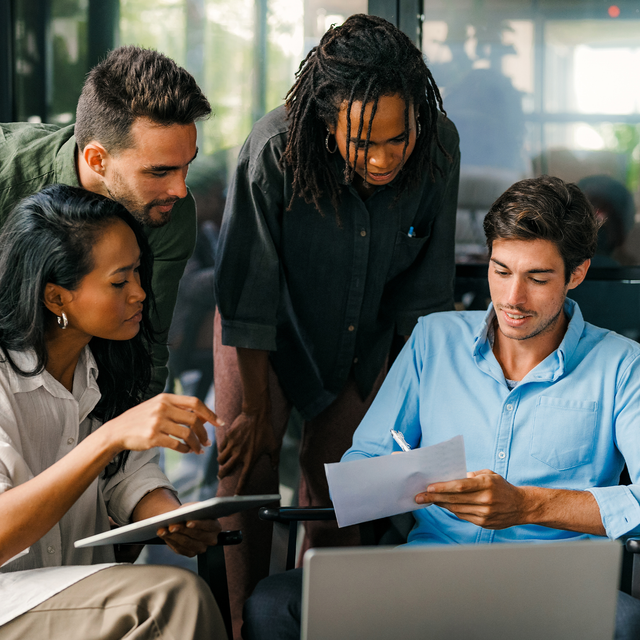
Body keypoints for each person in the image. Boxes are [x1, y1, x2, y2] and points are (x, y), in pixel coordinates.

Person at [242, 175, 640, 640]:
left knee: (625, 621)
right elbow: (362, 462)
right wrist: (414, 479)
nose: (513, 298)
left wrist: (526, 506)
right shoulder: (434, 339)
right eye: (501, 270)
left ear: (577, 274)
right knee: (274, 604)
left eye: (537, 277)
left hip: (553, 580)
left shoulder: (621, 365)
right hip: (427, 568)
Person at [213, 13, 460, 636]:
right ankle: (244, 623)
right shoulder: (274, 147)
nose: (382, 159)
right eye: (361, 143)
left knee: (346, 483)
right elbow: (249, 289)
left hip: (365, 335)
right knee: (249, 464)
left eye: (395, 140)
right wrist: (256, 411)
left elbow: (423, 294)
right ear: (327, 123)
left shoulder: (438, 148)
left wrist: (402, 400)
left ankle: (318, 622)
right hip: (263, 328)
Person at [0, 185, 226, 639]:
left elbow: (130, 478)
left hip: (80, 589)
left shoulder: (105, 367)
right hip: (10, 601)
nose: (141, 293)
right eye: (119, 282)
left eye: (139, 274)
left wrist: (171, 519)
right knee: (169, 598)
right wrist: (109, 438)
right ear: (56, 298)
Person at [0, 45, 212, 396]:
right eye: (159, 171)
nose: (179, 189)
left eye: (187, 164)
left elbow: (146, 347)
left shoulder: (169, 209)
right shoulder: (9, 177)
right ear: (97, 160)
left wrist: (135, 441)